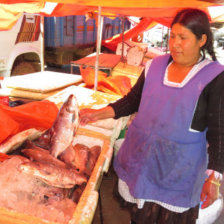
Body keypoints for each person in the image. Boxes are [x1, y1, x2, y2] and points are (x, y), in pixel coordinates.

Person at [80, 8, 224, 224]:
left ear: (202, 40)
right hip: (141, 160)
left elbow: (219, 132)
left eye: (183, 38)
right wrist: (95, 115)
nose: (174, 43)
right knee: (138, 215)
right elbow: (131, 101)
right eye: (173, 35)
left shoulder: (214, 77)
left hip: (178, 171)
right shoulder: (155, 66)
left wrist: (215, 179)